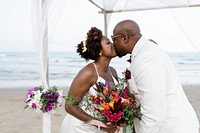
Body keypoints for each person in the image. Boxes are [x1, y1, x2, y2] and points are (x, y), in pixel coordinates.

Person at [112, 19, 199, 133]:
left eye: (114, 38)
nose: (113, 43)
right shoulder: (146, 51)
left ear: (124, 38)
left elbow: (154, 114)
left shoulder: (146, 58)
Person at [61, 27, 119, 133]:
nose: (113, 44)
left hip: (102, 127)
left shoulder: (113, 72)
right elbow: (69, 105)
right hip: (80, 127)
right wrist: (98, 124)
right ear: (100, 51)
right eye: (108, 43)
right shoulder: (88, 73)